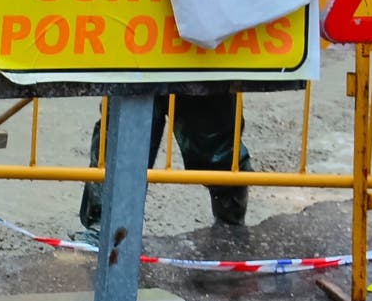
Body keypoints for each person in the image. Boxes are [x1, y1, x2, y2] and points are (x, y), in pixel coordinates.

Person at [77, 92, 252, 238]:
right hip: (138, 59)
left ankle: (231, 224)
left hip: (200, 64)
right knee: (125, 128)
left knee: (212, 137)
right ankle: (104, 227)